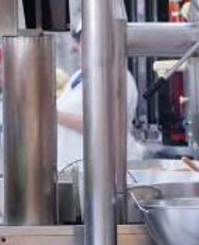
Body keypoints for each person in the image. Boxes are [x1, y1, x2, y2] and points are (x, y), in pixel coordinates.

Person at [56, 24, 143, 170]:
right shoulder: (78, 76)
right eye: (83, 40)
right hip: (75, 171)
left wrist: (54, 115)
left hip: (104, 172)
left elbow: (106, 125)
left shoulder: (118, 76)